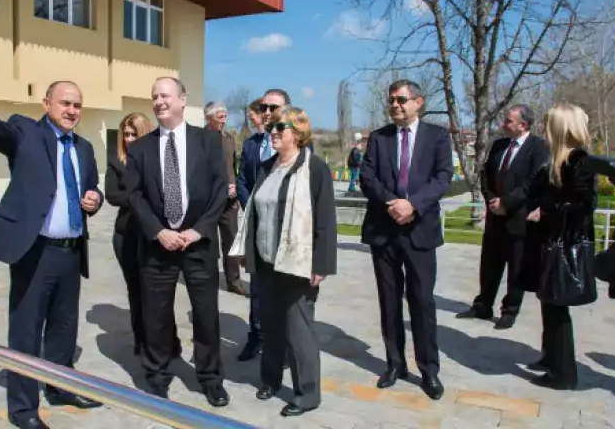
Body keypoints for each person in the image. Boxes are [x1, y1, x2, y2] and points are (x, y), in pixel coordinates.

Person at [0, 77, 103, 429]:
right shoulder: (25, 131)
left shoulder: (85, 148)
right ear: (46, 104)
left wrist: (96, 199)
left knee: (63, 329)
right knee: (26, 331)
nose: (72, 110)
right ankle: (23, 409)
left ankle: (60, 388)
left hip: (71, 251)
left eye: (77, 105)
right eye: (65, 103)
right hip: (35, 251)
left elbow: (92, 189)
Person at [125, 77, 230, 406]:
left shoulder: (208, 142)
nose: (158, 101)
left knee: (206, 314)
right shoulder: (140, 148)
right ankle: (156, 375)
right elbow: (135, 195)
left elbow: (218, 191)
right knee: (155, 315)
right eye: (154, 96)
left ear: (183, 100)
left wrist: (199, 229)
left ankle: (210, 378)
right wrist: (158, 231)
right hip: (159, 245)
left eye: (165, 95)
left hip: (198, 243)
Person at [230, 106, 336, 417]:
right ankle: (271, 380)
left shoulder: (314, 168)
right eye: (271, 127)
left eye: (281, 127)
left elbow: (326, 221)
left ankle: (307, 393)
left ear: (299, 133)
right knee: (271, 327)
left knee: (298, 331)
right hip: (265, 262)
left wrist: (321, 265)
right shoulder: (267, 167)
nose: (273, 131)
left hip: (297, 264)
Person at [359, 79, 453, 400]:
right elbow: (367, 178)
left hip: (420, 231)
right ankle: (394, 364)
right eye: (391, 101)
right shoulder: (378, 138)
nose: (395, 105)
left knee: (422, 302)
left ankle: (429, 370)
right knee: (389, 301)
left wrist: (413, 204)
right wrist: (392, 202)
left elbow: (443, 178)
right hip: (384, 231)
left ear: (418, 102)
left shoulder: (438, 137)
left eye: (401, 99)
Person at [456, 105, 549, 329]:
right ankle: (483, 304)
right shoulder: (499, 145)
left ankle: (510, 310)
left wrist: (507, 203)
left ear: (523, 125)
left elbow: (533, 182)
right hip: (494, 217)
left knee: (516, 267)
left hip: (519, 219)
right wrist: (491, 200)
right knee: (489, 263)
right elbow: (485, 176)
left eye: (508, 121)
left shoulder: (538, 148)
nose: (503, 124)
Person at [525, 103, 597, 390]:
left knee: (557, 308)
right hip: (548, 243)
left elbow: (584, 205)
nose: (544, 130)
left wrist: (547, 211)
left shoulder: (580, 161)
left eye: (548, 124)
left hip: (565, 247)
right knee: (549, 304)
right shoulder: (555, 160)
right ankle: (551, 357)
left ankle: (563, 374)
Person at [105, 112, 181, 357]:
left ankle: (169, 341)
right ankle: (141, 340)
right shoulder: (117, 160)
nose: (128, 139)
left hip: (154, 235)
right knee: (135, 290)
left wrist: (136, 195)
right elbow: (112, 195)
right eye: (125, 134)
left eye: (134, 134)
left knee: (159, 293)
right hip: (126, 235)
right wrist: (139, 195)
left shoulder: (159, 159)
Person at [234, 88, 292, 362]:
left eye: (274, 107)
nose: (267, 112)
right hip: (256, 228)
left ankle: (286, 344)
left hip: (286, 231)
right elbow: (243, 181)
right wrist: (251, 207)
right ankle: (255, 337)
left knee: (286, 291)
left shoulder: (300, 146)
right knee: (257, 288)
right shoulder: (251, 144)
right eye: (264, 107)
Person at [204, 101, 247, 296]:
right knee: (209, 242)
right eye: (220, 117)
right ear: (208, 118)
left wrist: (235, 187)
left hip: (230, 201)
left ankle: (234, 281)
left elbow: (233, 166)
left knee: (232, 240)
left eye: (225, 116)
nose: (224, 120)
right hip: (209, 200)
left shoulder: (229, 138)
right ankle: (208, 277)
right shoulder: (199, 139)